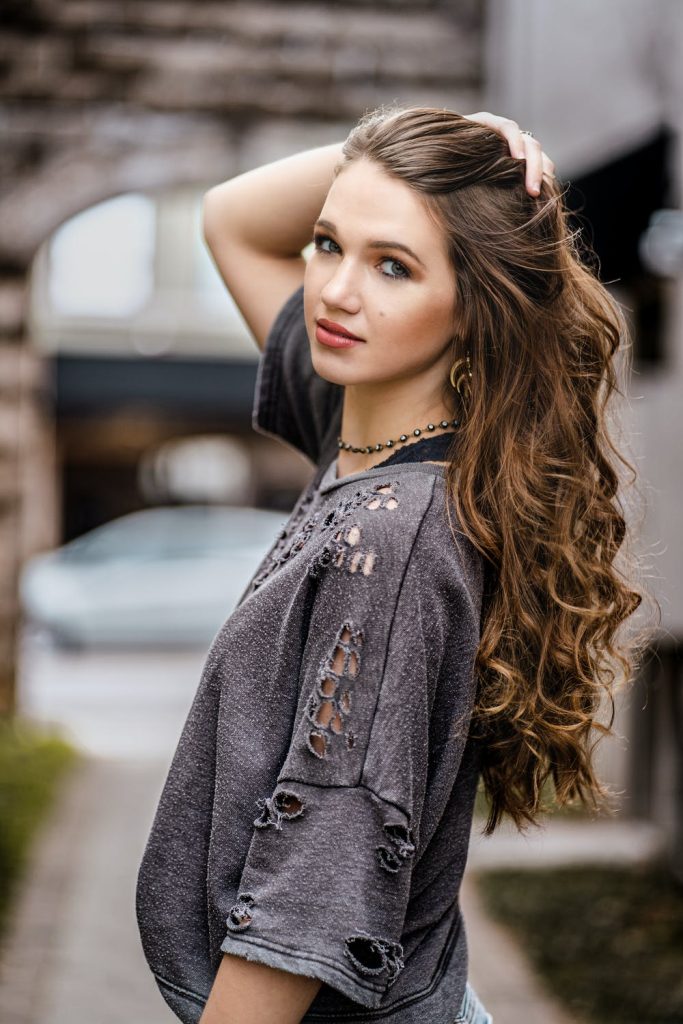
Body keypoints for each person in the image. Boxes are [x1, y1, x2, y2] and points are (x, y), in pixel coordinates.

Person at [135, 107, 644, 1024]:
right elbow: (233, 219)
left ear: (472, 308)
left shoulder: (392, 536)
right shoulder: (362, 427)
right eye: (328, 243)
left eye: (394, 267)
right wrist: (406, 143)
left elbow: (319, 870)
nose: (335, 292)